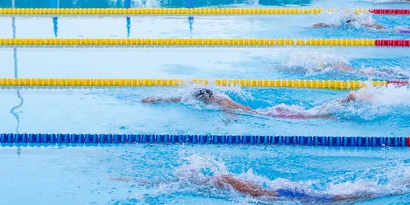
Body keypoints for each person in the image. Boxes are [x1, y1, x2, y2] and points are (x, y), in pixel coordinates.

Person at [210, 172, 408, 203]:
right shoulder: (252, 187)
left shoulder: (255, 192)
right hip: (287, 191)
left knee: (335, 199)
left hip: (287, 195)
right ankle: (383, 190)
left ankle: (384, 190)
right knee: (335, 197)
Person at [142, 88, 332, 119]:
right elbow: (180, 98)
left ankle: (326, 115)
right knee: (306, 113)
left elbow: (234, 111)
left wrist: (228, 120)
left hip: (265, 114)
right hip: (264, 110)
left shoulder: (222, 101)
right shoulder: (213, 97)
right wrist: (156, 99)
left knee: (307, 116)